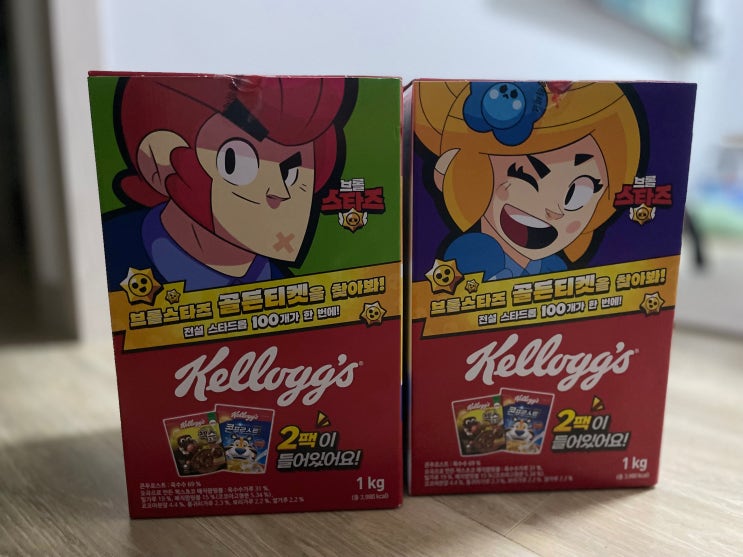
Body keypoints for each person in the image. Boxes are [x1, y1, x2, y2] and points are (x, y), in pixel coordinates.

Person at [103, 75, 353, 291]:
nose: (279, 192)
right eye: (236, 164)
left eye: (292, 173)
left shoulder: (294, 295)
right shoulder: (110, 251)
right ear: (160, 163)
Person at [415, 81, 643, 280]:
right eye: (524, 178)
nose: (554, 211)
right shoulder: (471, 255)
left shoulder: (554, 266)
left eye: (579, 194)